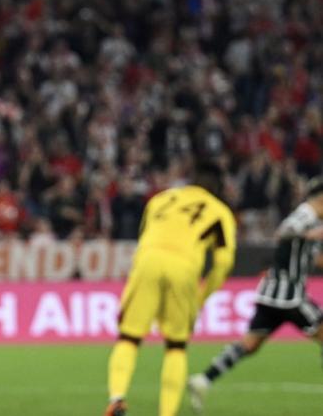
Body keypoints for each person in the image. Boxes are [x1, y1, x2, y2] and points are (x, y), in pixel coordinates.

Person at [105, 162, 237, 416]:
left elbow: (145, 235)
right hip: (184, 267)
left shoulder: (161, 198)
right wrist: (202, 296)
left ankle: (117, 397)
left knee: (129, 337)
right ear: (218, 187)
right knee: (176, 346)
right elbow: (223, 263)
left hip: (148, 261)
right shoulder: (220, 211)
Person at [187, 176, 323, 413]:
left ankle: (204, 379)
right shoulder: (306, 214)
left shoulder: (314, 221)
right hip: (288, 294)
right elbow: (284, 230)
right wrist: (311, 234)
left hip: (270, 294)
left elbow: (316, 259)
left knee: (249, 344)